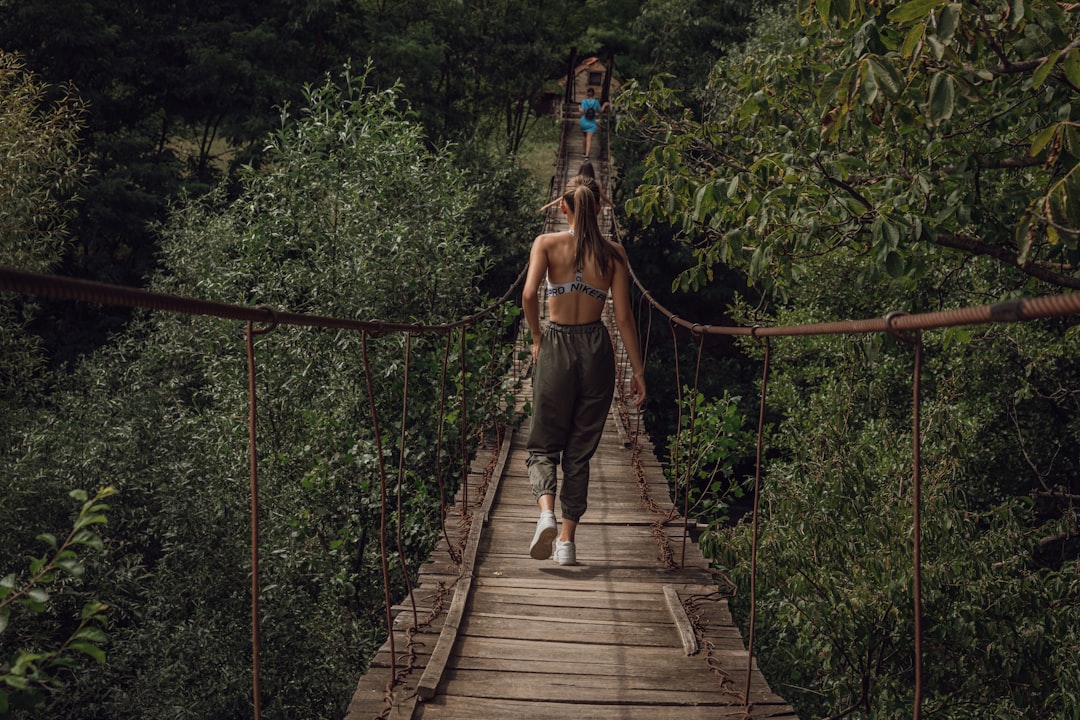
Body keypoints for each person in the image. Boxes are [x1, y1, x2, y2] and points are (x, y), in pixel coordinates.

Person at [522, 174, 646, 566]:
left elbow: (528, 295)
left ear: (563, 207)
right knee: (578, 452)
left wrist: (538, 338)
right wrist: (638, 371)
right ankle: (567, 544)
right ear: (599, 208)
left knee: (543, 444)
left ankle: (545, 513)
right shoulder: (615, 254)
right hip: (596, 350)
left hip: (557, 344)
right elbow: (623, 317)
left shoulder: (546, 243)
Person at [538, 161, 613, 213]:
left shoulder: (577, 184)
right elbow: (603, 197)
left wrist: (548, 205)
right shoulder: (594, 184)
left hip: (577, 208)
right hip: (591, 210)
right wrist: (611, 204)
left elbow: (564, 197)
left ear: (580, 170)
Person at [578, 88, 607, 159]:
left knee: (584, 137)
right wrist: (605, 105)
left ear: (587, 94)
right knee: (589, 139)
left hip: (584, 121)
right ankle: (587, 156)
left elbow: (582, 112)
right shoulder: (596, 102)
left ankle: (584, 152)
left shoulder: (584, 102)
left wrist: (579, 107)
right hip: (591, 123)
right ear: (593, 94)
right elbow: (600, 111)